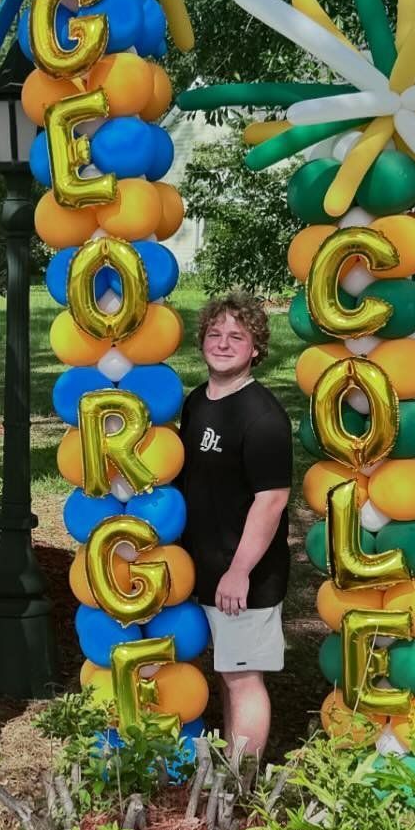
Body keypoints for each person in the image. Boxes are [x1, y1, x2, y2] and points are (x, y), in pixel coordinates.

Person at [177, 291, 293, 764]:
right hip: (200, 564)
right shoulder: (196, 402)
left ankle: (241, 784)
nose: (223, 344)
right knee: (226, 672)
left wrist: (240, 570)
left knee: (244, 679)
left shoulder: (262, 416)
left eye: (237, 337)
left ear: (256, 350)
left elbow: (271, 500)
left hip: (244, 574)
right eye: (215, 334)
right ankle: (227, 767)